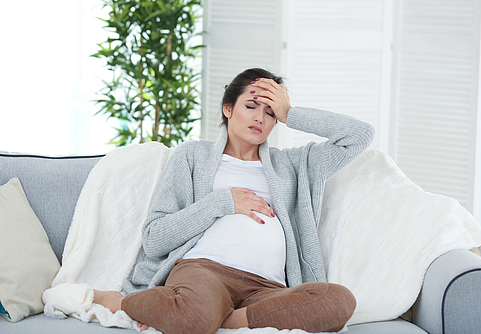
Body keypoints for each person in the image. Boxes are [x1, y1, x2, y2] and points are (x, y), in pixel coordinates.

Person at [94, 68, 375, 334]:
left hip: (266, 288)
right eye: (251, 106)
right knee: (198, 315)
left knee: (338, 301)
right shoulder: (192, 156)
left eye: (270, 112)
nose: (260, 119)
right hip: (205, 271)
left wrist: (290, 113)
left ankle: (218, 319)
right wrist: (221, 202)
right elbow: (154, 239)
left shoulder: (294, 164)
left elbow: (359, 136)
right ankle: (117, 302)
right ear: (228, 108)